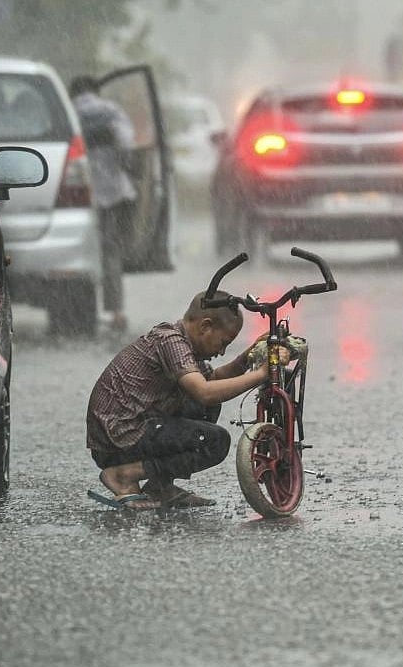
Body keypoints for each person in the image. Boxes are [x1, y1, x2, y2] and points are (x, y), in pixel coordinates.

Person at [86, 290, 288, 510]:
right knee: (216, 442)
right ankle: (124, 475)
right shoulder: (170, 341)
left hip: (131, 429)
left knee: (205, 406)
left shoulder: (182, 342)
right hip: (118, 439)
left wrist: (247, 357)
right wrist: (260, 375)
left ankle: (160, 486)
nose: (221, 351)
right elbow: (205, 391)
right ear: (205, 326)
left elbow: (212, 379)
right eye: (222, 342)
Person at [69, 75, 137, 334]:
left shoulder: (68, 111)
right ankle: (116, 312)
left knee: (77, 255)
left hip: (76, 195)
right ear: (96, 90)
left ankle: (75, 312)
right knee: (111, 252)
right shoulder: (110, 110)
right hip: (113, 193)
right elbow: (126, 143)